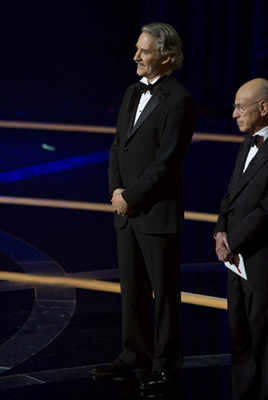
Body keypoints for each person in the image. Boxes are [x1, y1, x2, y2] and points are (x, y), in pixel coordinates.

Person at [92, 22, 196, 390]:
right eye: (137, 49)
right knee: (132, 288)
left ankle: (167, 362)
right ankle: (134, 353)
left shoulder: (180, 100)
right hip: (126, 208)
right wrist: (115, 190)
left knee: (164, 292)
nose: (136, 56)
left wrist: (130, 197)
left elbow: (165, 164)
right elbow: (118, 146)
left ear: (166, 57)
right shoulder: (131, 92)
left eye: (144, 51)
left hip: (155, 211)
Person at [214, 78, 268, 400]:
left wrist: (232, 240)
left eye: (241, 107)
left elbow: (265, 210)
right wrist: (220, 230)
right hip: (236, 263)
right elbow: (231, 196)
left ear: (263, 108)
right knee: (240, 341)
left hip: (260, 261)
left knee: (263, 344)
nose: (234, 114)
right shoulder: (246, 143)